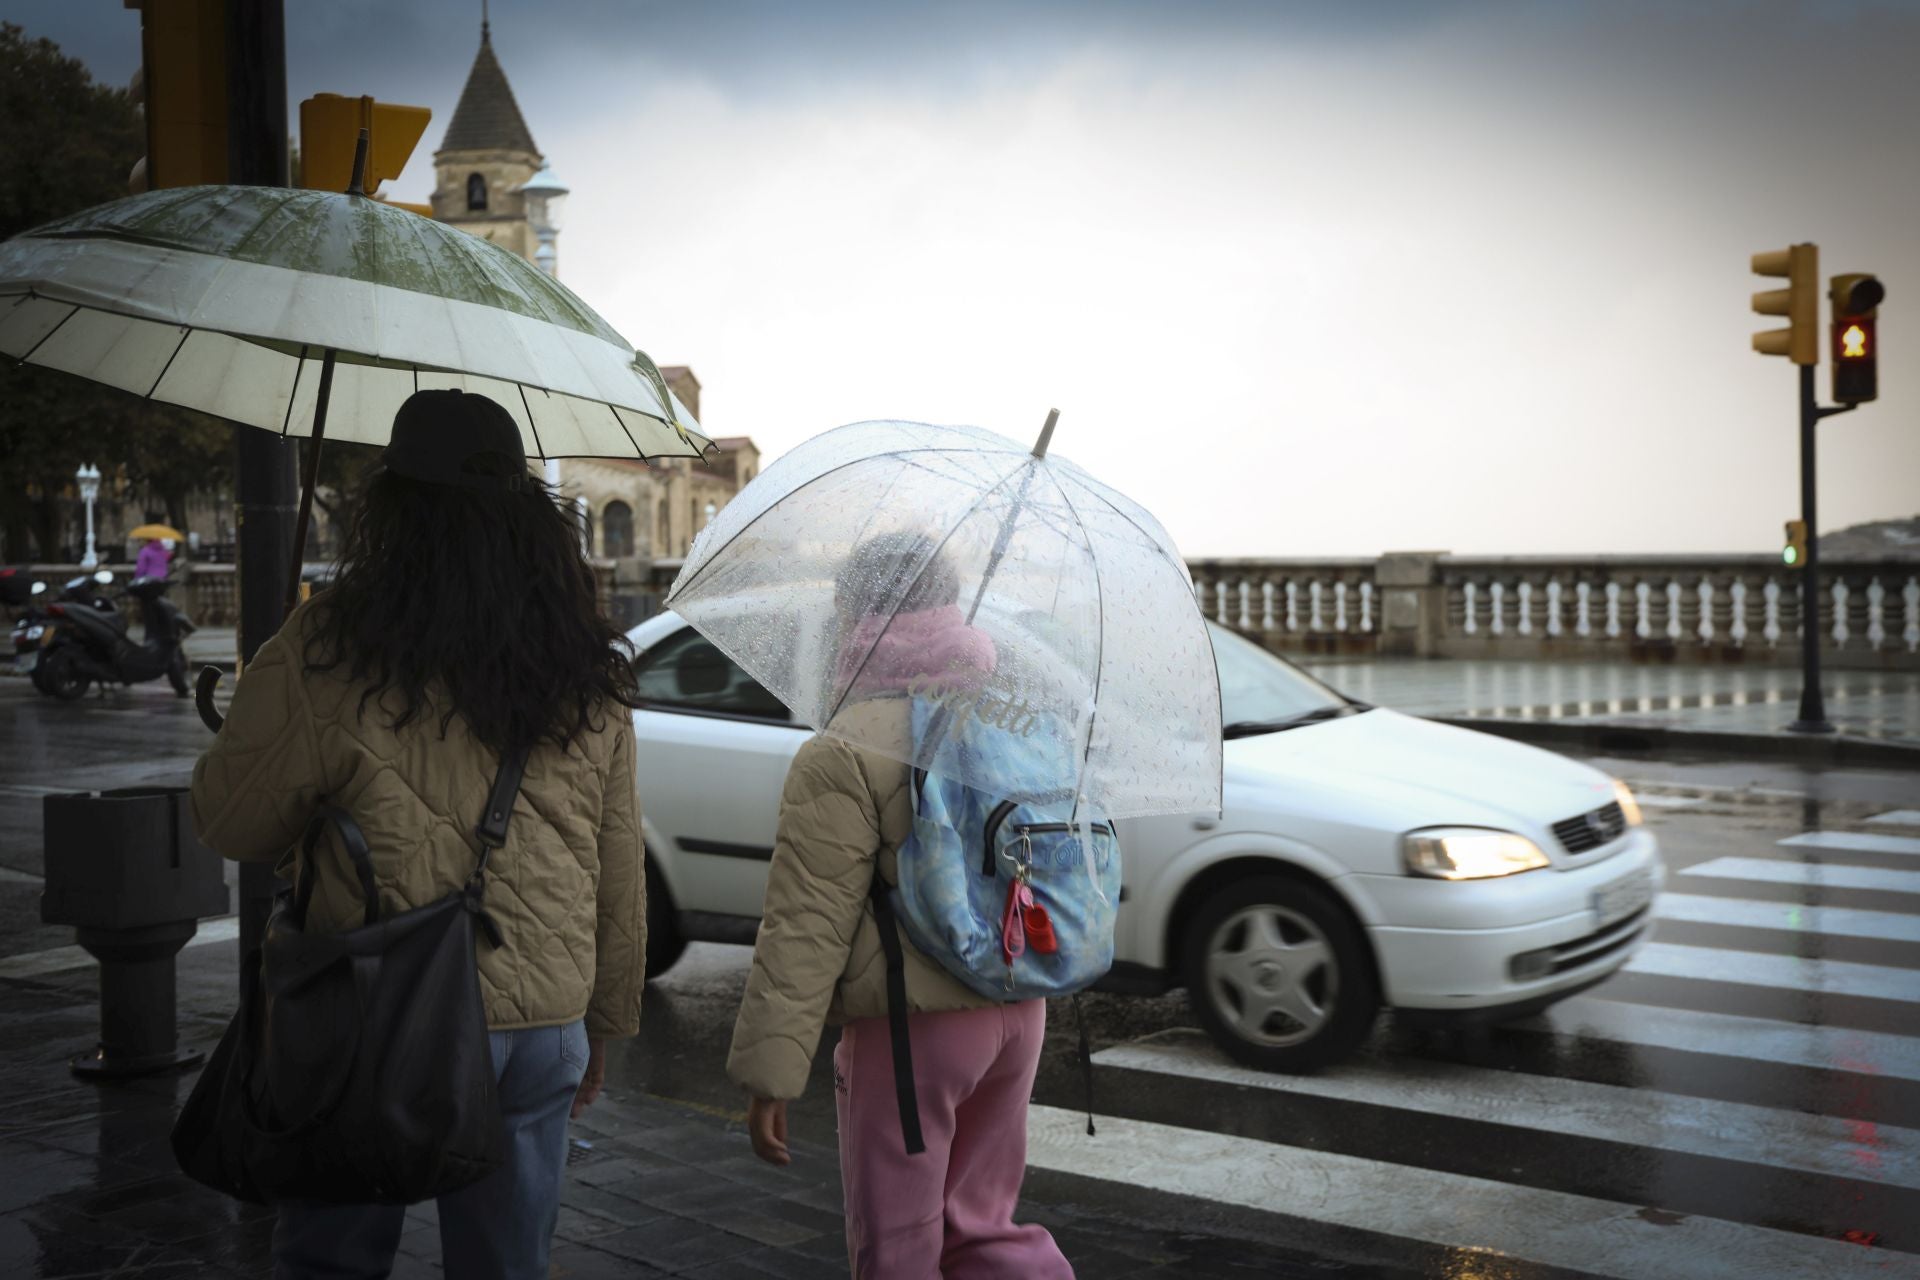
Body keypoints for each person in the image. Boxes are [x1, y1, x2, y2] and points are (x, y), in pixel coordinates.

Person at [189, 389, 646, 1280]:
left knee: (332, 1260)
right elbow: (616, 860)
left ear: (391, 506)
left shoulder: (327, 642)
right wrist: (605, 1022)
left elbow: (231, 821)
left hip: (371, 1006)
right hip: (542, 1016)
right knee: (508, 1266)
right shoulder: (586, 659)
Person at [727, 532, 1074, 1280]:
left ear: (859, 612)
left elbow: (806, 927)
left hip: (913, 1024)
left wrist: (771, 1074)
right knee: (981, 1226)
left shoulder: (846, 745)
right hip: (1018, 1001)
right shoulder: (1014, 715)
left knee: (900, 1244)